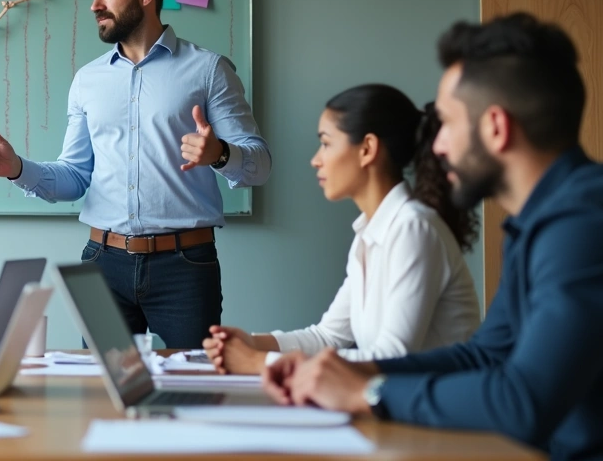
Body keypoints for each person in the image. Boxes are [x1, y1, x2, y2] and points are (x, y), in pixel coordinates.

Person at [262, 14, 603, 460]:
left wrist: (371, 391)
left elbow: (523, 402)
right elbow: (484, 356)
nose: (437, 146)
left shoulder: (587, 223)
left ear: (496, 128)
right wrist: (346, 370)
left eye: (449, 124)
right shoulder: (538, 221)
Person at [0, 0, 271, 348]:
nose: (94, 5)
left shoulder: (208, 70)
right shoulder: (87, 80)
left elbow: (261, 164)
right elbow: (74, 177)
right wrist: (16, 169)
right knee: (100, 390)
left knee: (195, 385)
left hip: (184, 267)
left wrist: (221, 155)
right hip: (103, 262)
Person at [202, 84, 480, 374]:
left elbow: (392, 358)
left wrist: (259, 363)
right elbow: (327, 337)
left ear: (367, 149)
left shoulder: (413, 228)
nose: (316, 159)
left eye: (326, 143)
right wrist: (251, 343)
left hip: (441, 415)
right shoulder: (370, 233)